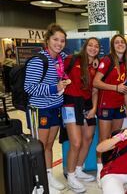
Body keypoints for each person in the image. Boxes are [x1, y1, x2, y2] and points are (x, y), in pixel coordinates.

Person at [24, 23, 70, 191]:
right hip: (39, 109)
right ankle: (37, 180)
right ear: (47, 40)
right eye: (55, 39)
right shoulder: (38, 61)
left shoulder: (62, 59)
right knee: (39, 146)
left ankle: (48, 176)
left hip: (55, 107)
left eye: (62, 40)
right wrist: (54, 88)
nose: (59, 43)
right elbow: (29, 87)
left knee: (49, 145)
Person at [62, 37, 100, 192]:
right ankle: (71, 176)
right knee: (76, 142)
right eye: (90, 45)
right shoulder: (71, 60)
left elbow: (95, 90)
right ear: (85, 47)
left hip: (88, 105)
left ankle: (78, 169)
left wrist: (94, 108)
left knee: (88, 138)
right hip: (71, 104)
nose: (93, 48)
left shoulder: (96, 66)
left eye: (96, 46)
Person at [93, 34, 127, 185]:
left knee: (116, 139)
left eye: (122, 42)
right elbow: (96, 82)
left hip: (119, 106)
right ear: (112, 46)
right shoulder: (107, 60)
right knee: (104, 139)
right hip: (106, 106)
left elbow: (125, 89)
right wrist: (115, 88)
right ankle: (99, 170)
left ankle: (110, 168)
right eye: (117, 42)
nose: (120, 44)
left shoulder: (125, 62)